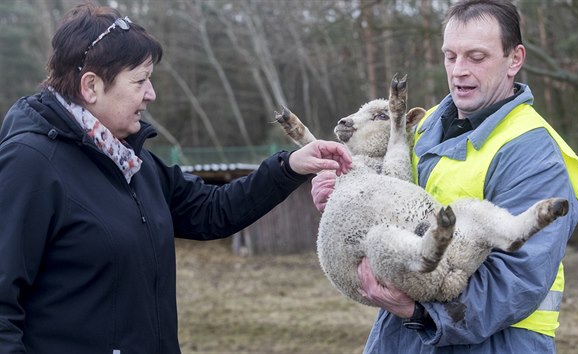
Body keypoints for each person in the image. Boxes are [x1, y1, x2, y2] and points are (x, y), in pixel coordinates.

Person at [0, 3, 352, 354]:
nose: (151, 93)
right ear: (91, 86)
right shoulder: (29, 164)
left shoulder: (132, 162)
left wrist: (289, 166)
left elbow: (213, 210)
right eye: (140, 80)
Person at [311, 0, 578, 353]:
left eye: (476, 57)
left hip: (498, 342)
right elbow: (388, 199)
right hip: (401, 336)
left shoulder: (533, 151)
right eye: (451, 56)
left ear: (514, 59)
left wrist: (422, 313)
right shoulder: (422, 130)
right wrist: (344, 194)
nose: (458, 71)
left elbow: (519, 278)